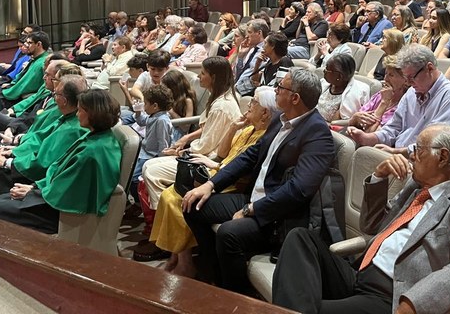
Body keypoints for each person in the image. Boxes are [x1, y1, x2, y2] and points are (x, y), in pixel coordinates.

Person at [272, 124, 450, 314]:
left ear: (442, 157)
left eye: (418, 149)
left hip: (389, 293)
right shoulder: (416, 188)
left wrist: (415, 301)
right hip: (359, 273)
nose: (411, 154)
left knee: (301, 303)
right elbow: (371, 226)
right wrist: (379, 176)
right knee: (300, 238)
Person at [181, 68, 336, 292]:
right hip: (253, 198)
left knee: (228, 234)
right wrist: (211, 184)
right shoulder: (280, 120)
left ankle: (238, 297)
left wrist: (251, 210)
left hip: (277, 216)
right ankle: (215, 278)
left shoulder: (318, 134)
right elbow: (250, 156)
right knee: (192, 205)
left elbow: (299, 190)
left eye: (280, 87)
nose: (275, 90)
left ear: (294, 98)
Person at [143, 87, 276, 271]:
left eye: (254, 102)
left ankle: (186, 263)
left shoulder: (266, 138)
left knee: (179, 200)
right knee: (168, 194)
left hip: (232, 185)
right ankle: (177, 255)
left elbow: (244, 173)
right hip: (218, 173)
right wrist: (232, 128)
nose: (249, 104)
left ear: (265, 113)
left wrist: (215, 166)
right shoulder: (248, 129)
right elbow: (222, 153)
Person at [0, 88, 122, 233]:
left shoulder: (92, 152)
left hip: (63, 212)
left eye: (80, 110)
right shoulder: (98, 137)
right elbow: (60, 171)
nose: (77, 114)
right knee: (0, 201)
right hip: (51, 195)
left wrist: (33, 194)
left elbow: (69, 192)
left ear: (93, 114)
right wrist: (35, 187)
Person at [0, 74, 89, 213]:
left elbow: (43, 164)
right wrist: (13, 151)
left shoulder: (72, 129)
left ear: (64, 100)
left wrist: (7, 162)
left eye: (56, 94)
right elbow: (40, 139)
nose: (53, 96)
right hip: (30, 158)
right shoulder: (67, 117)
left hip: (35, 173)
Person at [140, 56, 241, 212]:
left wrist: (181, 151)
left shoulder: (222, 106)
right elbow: (208, 128)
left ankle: (173, 214)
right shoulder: (216, 97)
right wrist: (187, 138)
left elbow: (206, 146)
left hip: (209, 161)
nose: (198, 76)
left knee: (152, 171)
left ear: (213, 77)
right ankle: (162, 215)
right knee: (148, 165)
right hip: (202, 153)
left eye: (202, 73)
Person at [347, 46, 450, 153]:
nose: (409, 83)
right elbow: (394, 128)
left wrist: (397, 152)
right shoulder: (412, 92)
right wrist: (368, 138)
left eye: (412, 77)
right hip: (402, 155)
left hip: (432, 167)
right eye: (406, 78)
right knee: (362, 155)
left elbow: (437, 145)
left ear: (430, 68)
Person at [128, 84, 174, 200]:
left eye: (146, 104)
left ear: (155, 106)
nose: (144, 106)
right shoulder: (153, 115)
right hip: (144, 150)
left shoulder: (162, 121)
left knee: (133, 178)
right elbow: (142, 122)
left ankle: (139, 202)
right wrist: (138, 112)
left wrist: (160, 161)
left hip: (151, 155)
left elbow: (163, 144)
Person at [347, 55, 409, 134]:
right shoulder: (380, 95)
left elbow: (370, 134)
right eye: (386, 74)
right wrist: (354, 118)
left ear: (405, 80)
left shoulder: (404, 106)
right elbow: (357, 119)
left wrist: (384, 103)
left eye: (391, 75)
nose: (386, 79)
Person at [317, 53, 370, 122]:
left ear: (339, 76)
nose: (324, 71)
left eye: (327, 69)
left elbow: (336, 125)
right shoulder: (324, 83)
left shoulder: (355, 94)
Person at [234, 19, 269, 96]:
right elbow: (239, 73)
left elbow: (254, 81)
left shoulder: (266, 52)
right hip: (238, 87)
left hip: (247, 92)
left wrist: (235, 91)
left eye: (250, 32)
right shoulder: (251, 49)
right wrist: (240, 56)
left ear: (259, 33)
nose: (246, 36)